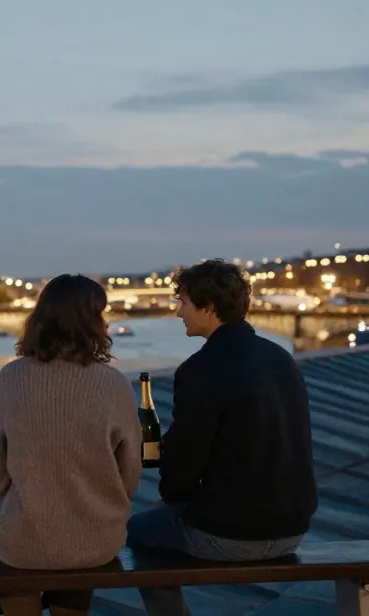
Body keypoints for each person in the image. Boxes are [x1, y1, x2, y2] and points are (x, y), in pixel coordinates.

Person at [127, 259, 318, 616]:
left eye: (182, 302)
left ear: (209, 308)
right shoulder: (281, 359)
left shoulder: (201, 369)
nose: (178, 312)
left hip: (233, 535)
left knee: (136, 532)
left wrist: (173, 492)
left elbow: (179, 476)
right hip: (294, 528)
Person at [0, 273, 142, 616]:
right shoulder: (113, 384)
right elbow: (130, 476)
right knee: (76, 549)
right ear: (92, 323)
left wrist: (31, 492)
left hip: (23, 541)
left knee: (11, 548)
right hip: (95, 541)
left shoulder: (12, 377)